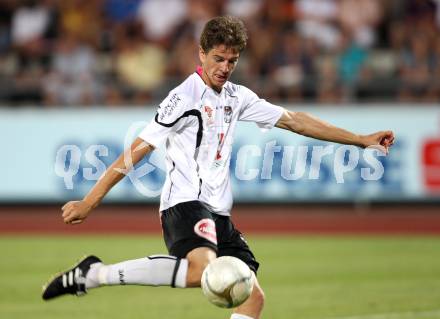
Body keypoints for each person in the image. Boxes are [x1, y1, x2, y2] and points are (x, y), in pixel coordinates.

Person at [41, 16, 394, 319]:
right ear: (201, 54)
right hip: (185, 203)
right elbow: (139, 149)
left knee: (253, 298)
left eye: (232, 60)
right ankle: (96, 275)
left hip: (219, 212)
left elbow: (295, 121)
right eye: (218, 58)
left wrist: (361, 139)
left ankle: (93, 273)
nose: (224, 67)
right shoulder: (184, 98)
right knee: (202, 270)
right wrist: (91, 201)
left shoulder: (237, 96)